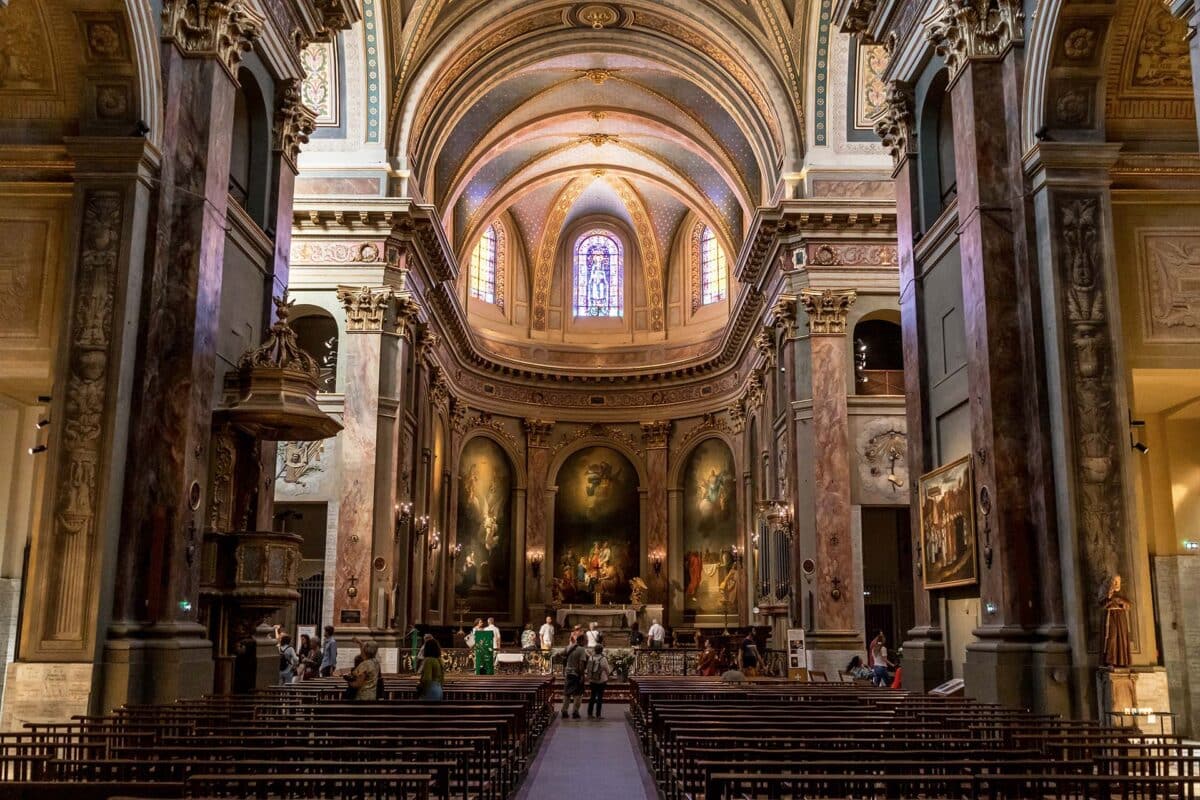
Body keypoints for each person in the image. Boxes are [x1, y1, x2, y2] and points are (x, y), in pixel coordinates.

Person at [561, 635, 589, 719]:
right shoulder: (581, 650)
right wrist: (582, 676)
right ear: (581, 641)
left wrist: (567, 664)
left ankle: (564, 710)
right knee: (578, 694)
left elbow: (560, 654)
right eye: (585, 640)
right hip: (576, 674)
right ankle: (575, 712)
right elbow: (581, 664)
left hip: (568, 673)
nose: (586, 642)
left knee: (567, 693)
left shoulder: (569, 647)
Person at [586, 644, 612, 719]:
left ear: (595, 650)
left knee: (592, 697)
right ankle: (598, 715)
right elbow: (607, 669)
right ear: (601, 650)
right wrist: (608, 676)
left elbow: (588, 668)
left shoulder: (591, 657)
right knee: (599, 698)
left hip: (592, 680)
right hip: (601, 680)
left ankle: (589, 713)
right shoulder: (603, 658)